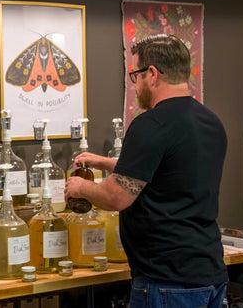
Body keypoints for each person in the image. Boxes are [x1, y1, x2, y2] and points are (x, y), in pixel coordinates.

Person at [64, 34, 228, 308]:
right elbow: (168, 171)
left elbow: (117, 198)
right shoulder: (210, 121)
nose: (136, 84)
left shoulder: (151, 124)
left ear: (152, 74)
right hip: (209, 272)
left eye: (135, 75)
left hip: (168, 281)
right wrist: (103, 162)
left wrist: (80, 188)